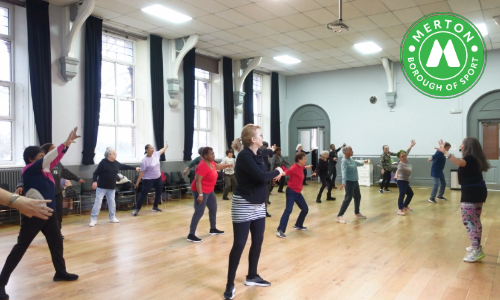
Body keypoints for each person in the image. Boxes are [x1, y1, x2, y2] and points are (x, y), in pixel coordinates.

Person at [0, 127, 80, 300]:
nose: (45, 159)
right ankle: (1, 283)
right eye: (41, 157)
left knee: (56, 241)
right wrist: (64, 143)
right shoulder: (29, 170)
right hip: (34, 213)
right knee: (21, 247)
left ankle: (60, 272)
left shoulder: (44, 170)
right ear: (31, 159)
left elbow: (55, 158)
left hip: (48, 213)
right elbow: (51, 157)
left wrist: (66, 146)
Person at [223, 124, 283, 300]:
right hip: (243, 203)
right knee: (239, 244)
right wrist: (278, 171)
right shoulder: (244, 156)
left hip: (258, 204)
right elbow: (261, 176)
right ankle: (229, 284)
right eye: (260, 135)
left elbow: (267, 152)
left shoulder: (258, 152)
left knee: (257, 241)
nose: (263, 137)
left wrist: (271, 151)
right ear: (253, 139)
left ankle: (252, 276)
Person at [435, 138, 489, 263]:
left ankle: (476, 250)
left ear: (468, 146)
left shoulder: (469, 158)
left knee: (468, 220)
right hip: (476, 191)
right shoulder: (475, 158)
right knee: (474, 220)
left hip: (472, 193)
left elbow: (459, 162)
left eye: (462, 143)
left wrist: (446, 152)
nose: (460, 144)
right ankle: (476, 245)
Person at [16, 143, 85, 240]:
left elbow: (64, 171)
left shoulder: (54, 163)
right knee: (33, 222)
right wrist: (20, 185)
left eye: (55, 148)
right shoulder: (36, 167)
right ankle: (25, 237)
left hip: (55, 194)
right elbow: (25, 178)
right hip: (42, 198)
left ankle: (57, 234)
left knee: (56, 217)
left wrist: (77, 178)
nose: (55, 150)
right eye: (52, 149)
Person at [187, 147, 232, 243]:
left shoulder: (211, 162)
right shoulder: (202, 166)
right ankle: (191, 234)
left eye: (213, 153)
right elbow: (198, 181)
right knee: (199, 211)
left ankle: (213, 229)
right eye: (211, 154)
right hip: (201, 190)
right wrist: (200, 195)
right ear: (205, 156)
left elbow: (217, 166)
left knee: (213, 208)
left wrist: (227, 165)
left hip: (209, 190)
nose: (213, 155)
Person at [89, 147, 139, 227]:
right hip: (102, 187)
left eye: (116, 154)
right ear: (109, 155)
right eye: (114, 154)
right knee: (98, 203)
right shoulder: (103, 162)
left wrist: (134, 168)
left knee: (112, 203)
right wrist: (95, 181)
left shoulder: (115, 163)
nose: (116, 155)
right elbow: (95, 173)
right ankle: (93, 219)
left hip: (111, 187)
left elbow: (124, 166)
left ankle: (112, 217)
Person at [275, 152, 312, 239]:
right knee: (288, 210)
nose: (306, 160)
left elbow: (302, 167)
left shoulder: (300, 166)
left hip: (298, 193)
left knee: (305, 209)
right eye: (304, 159)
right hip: (291, 192)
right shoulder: (294, 167)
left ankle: (298, 225)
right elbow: (287, 172)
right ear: (299, 160)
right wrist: (280, 174)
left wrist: (307, 167)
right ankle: (280, 230)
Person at [132, 142, 169, 216]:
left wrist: (166, 147)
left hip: (158, 178)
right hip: (148, 179)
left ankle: (155, 207)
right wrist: (137, 182)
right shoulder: (144, 160)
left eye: (153, 148)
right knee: (144, 193)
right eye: (151, 148)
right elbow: (142, 172)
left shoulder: (156, 154)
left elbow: (161, 150)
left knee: (159, 192)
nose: (153, 149)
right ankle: (137, 209)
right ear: (147, 150)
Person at [336, 145, 367, 224]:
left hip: (355, 181)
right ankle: (339, 216)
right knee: (348, 199)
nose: (352, 151)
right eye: (351, 150)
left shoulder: (351, 159)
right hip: (349, 182)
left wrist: (363, 162)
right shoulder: (344, 161)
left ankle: (357, 213)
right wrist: (343, 182)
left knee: (357, 197)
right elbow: (343, 172)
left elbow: (356, 163)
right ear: (345, 152)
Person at [393, 140, 417, 216]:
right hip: (401, 180)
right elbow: (398, 170)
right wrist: (396, 176)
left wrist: (411, 145)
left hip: (406, 181)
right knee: (402, 194)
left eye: (405, 156)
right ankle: (400, 209)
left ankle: (405, 206)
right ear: (399, 158)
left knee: (410, 194)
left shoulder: (406, 160)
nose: (404, 157)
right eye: (402, 156)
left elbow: (407, 151)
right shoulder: (400, 164)